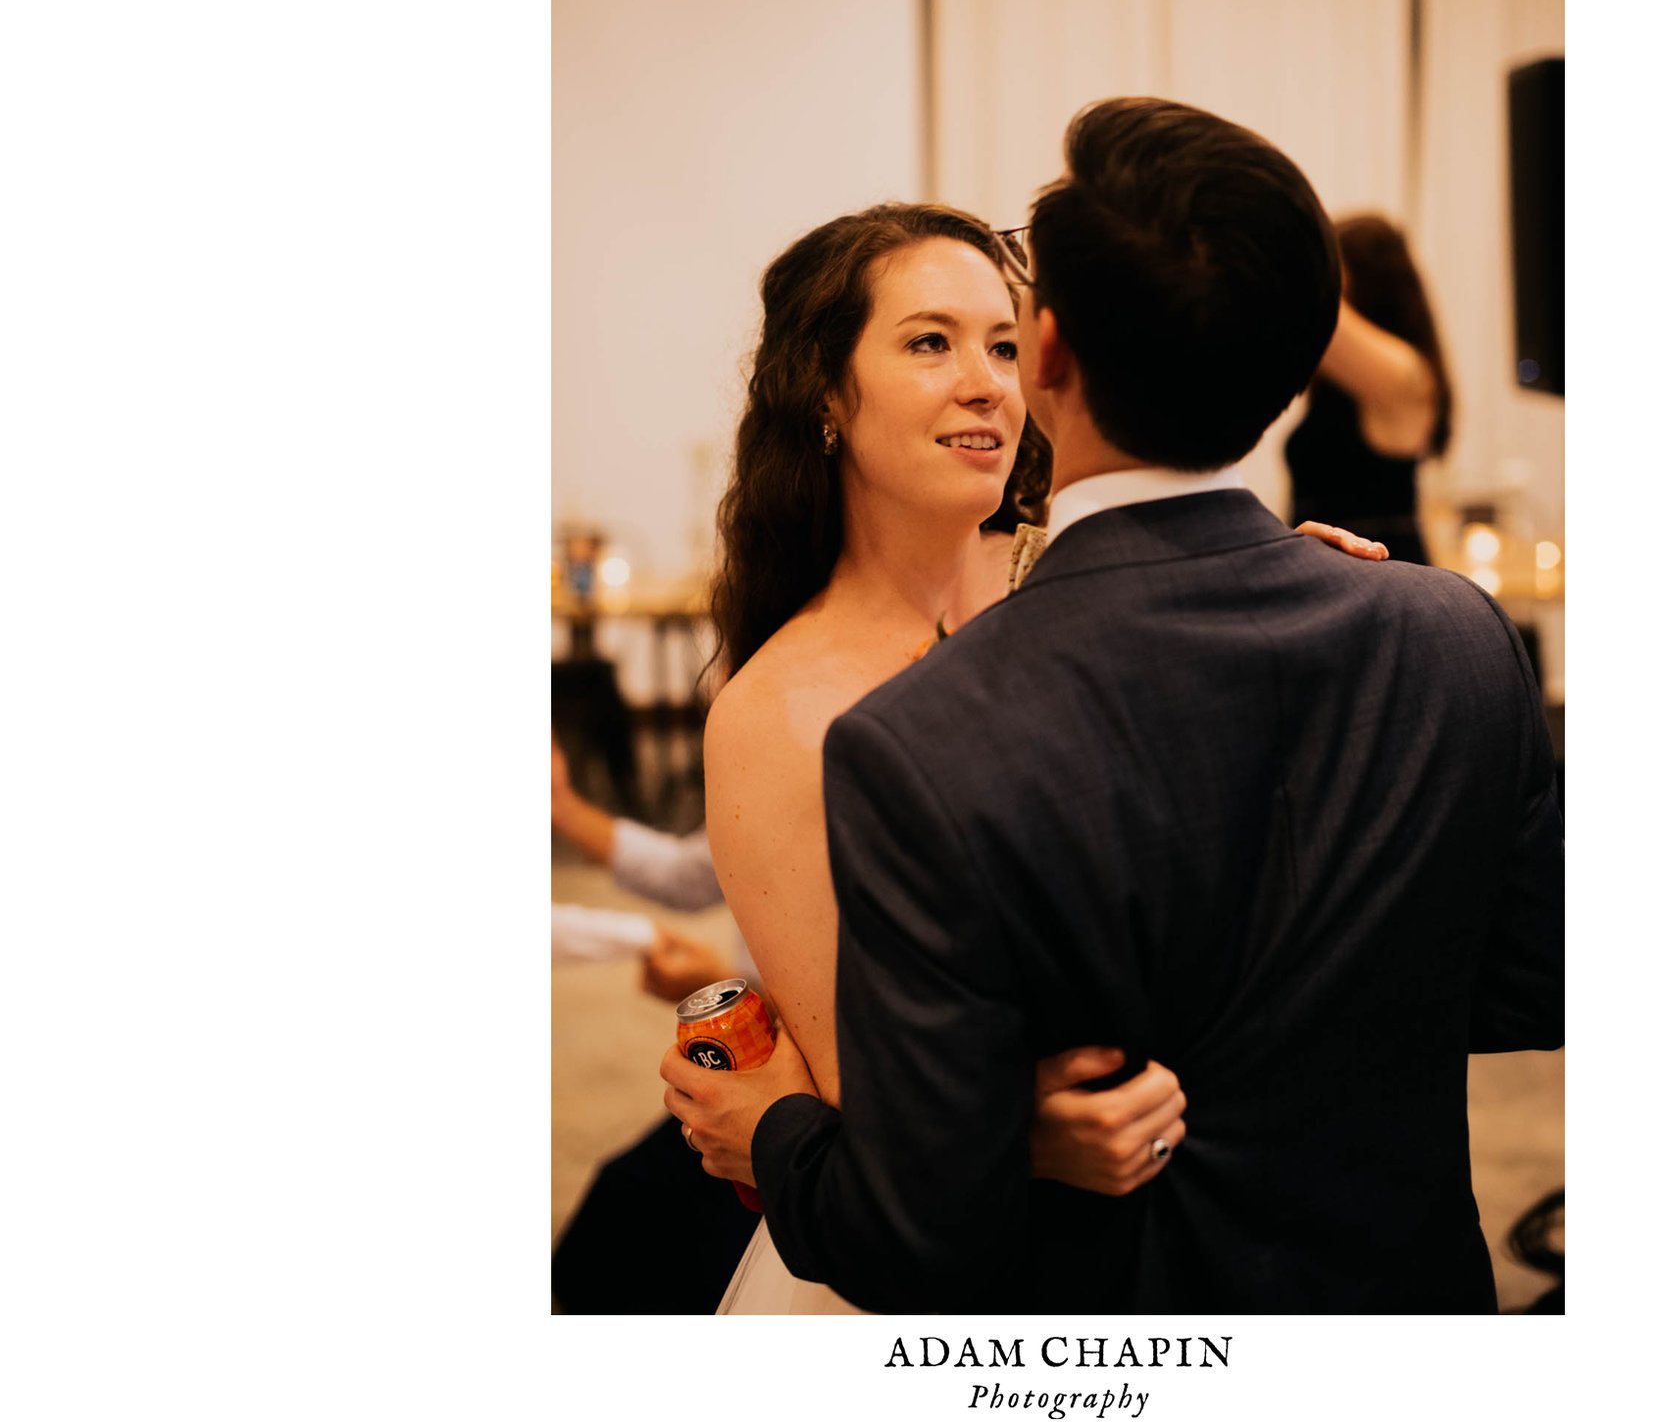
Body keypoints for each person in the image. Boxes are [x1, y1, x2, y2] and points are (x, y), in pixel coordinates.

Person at [664, 98, 1562, 1313]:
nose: (981, 381)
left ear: (1046, 355)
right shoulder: (807, 714)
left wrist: (1284, 610)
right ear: (823, 392)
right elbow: (892, 1124)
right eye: (929, 342)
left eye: (995, 339)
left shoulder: (1090, 624)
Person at [548, 732, 1183, 1311]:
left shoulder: (915, 768)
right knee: (621, 1214)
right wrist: (565, 809)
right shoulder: (774, 749)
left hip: (858, 1124)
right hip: (803, 1108)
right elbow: (691, 871)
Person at [1281, 213, 1455, 564]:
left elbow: (1313, 303)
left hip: (1380, 572)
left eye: (1333, 271)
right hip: (1338, 572)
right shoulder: (1342, 381)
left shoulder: (1406, 375)